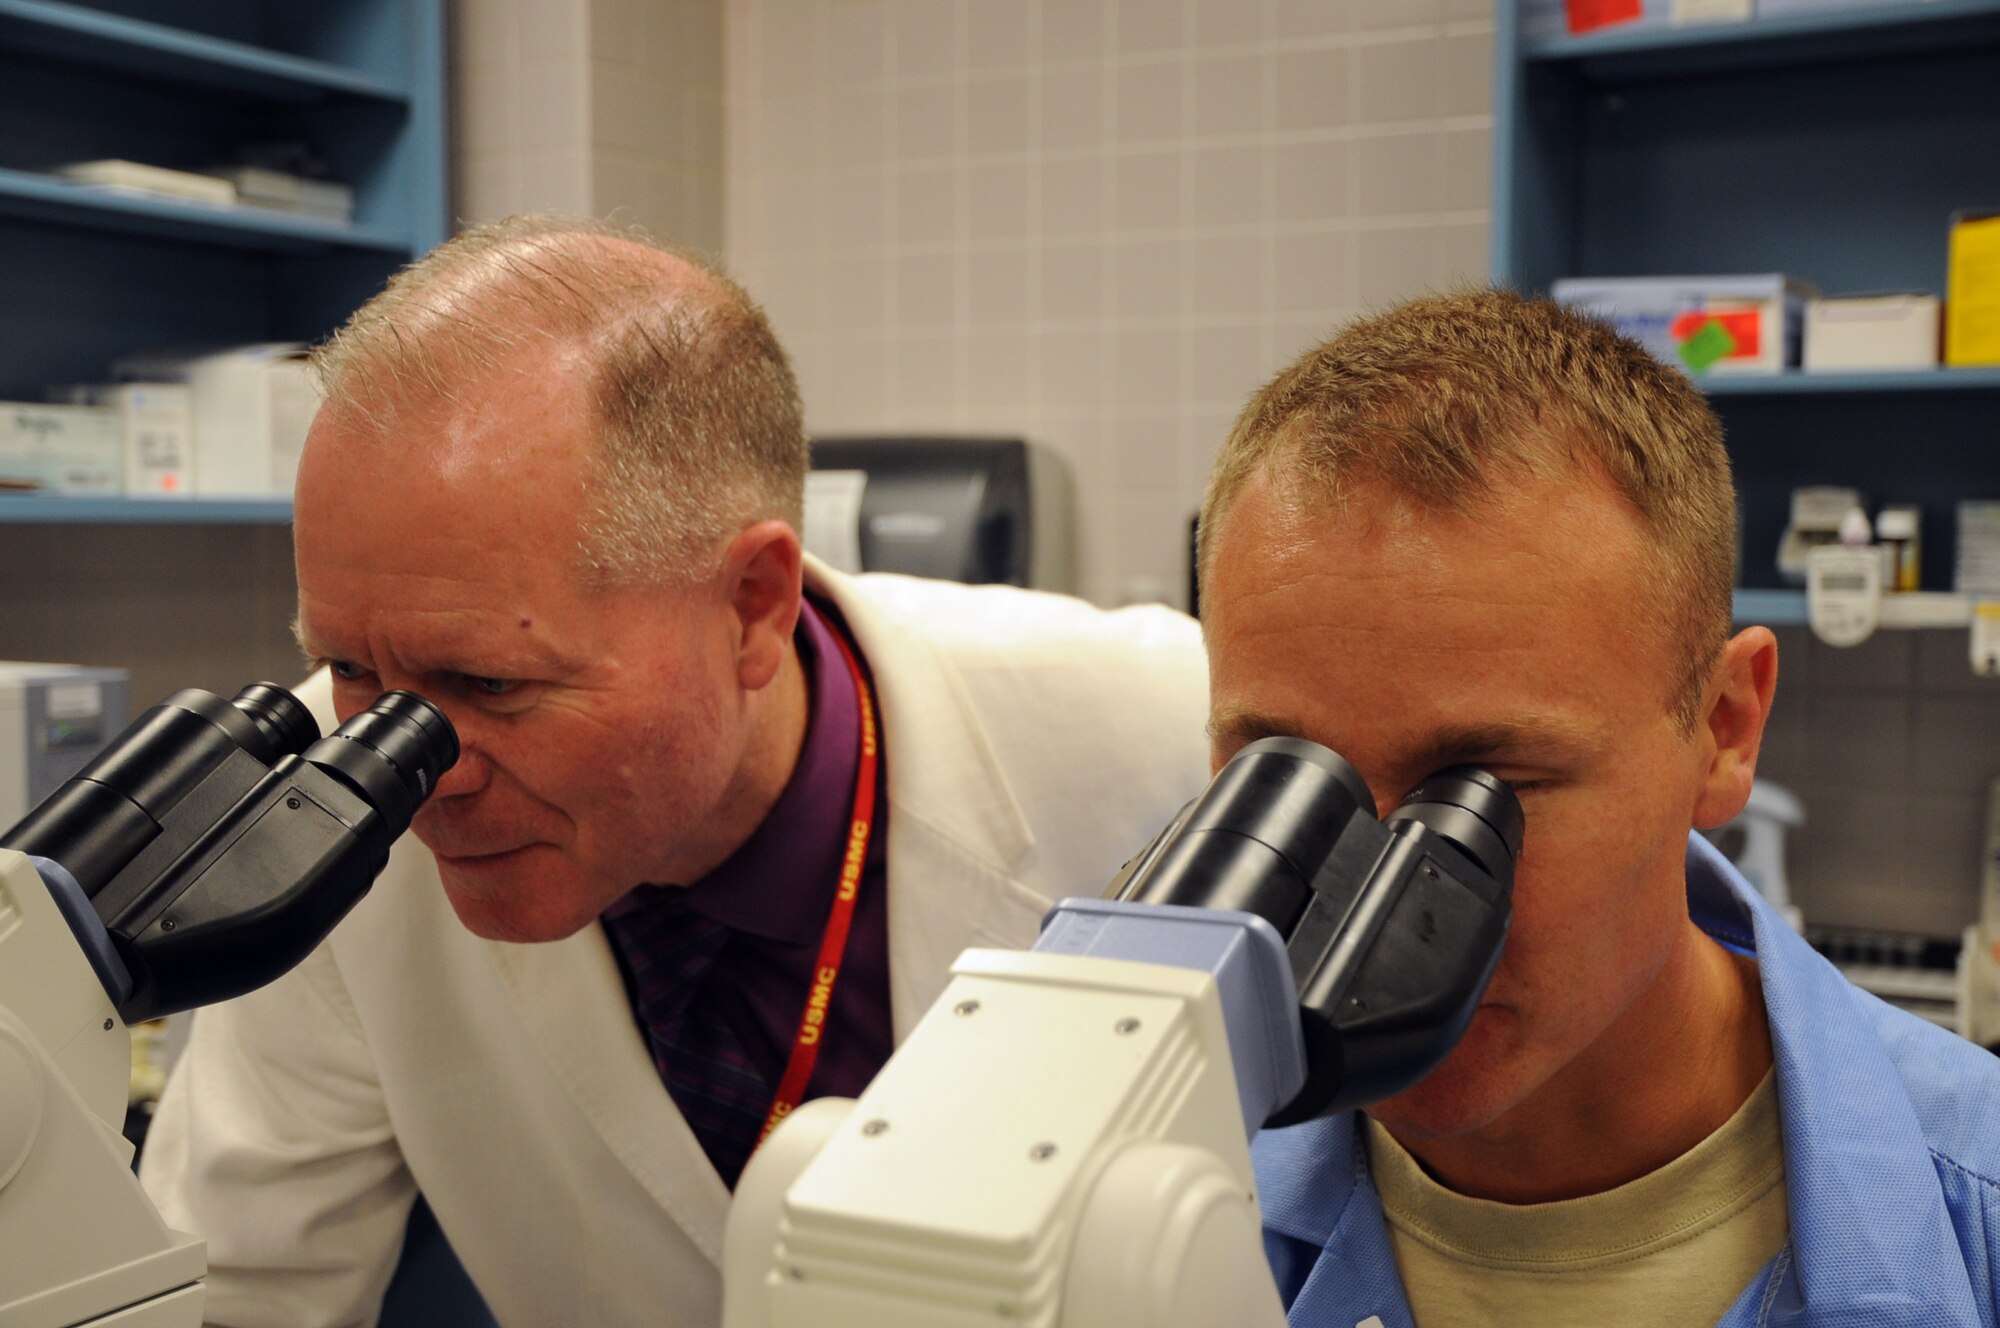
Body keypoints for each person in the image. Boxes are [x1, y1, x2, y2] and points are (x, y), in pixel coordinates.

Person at [138, 216, 1210, 1327]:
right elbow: (229, 1297)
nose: (416, 773)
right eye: (349, 665)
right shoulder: (325, 799)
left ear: (751, 605)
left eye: (491, 682)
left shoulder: (1161, 728)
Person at [1198, 290, 2000, 1326]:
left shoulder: (1973, 1209)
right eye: (1288, 766)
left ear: (1722, 726)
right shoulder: (1143, 1168)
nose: (1371, 916)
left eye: (1490, 783)